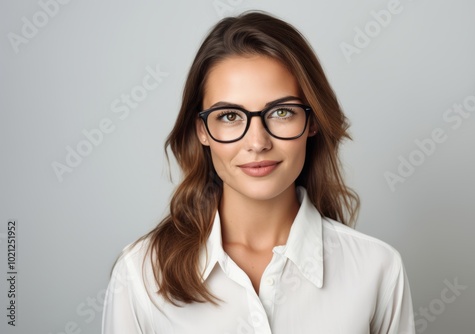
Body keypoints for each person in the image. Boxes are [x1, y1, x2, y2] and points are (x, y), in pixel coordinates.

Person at [102, 11, 415, 334]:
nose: (257, 142)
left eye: (281, 112)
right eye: (229, 116)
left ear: (312, 122)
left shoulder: (377, 268)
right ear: (202, 131)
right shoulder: (140, 274)